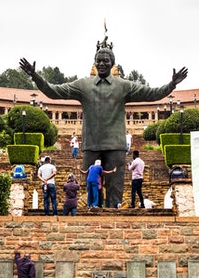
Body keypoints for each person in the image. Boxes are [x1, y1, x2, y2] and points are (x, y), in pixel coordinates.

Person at [19, 48, 187, 207]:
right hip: (92, 143)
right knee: (92, 185)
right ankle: (95, 214)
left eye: (105, 61)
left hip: (115, 145)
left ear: (113, 63)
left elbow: (152, 94)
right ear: (94, 63)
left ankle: (113, 218)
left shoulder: (123, 86)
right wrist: (35, 76)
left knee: (115, 188)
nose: (101, 64)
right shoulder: (83, 85)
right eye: (98, 61)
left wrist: (171, 84)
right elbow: (53, 91)